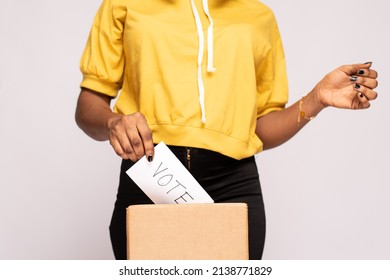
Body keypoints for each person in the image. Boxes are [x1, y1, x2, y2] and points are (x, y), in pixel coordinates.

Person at [75, 0, 378, 260]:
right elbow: (89, 104)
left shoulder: (259, 17)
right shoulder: (125, 4)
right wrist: (113, 122)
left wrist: (316, 100)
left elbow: (258, 129)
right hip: (152, 176)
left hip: (234, 185)